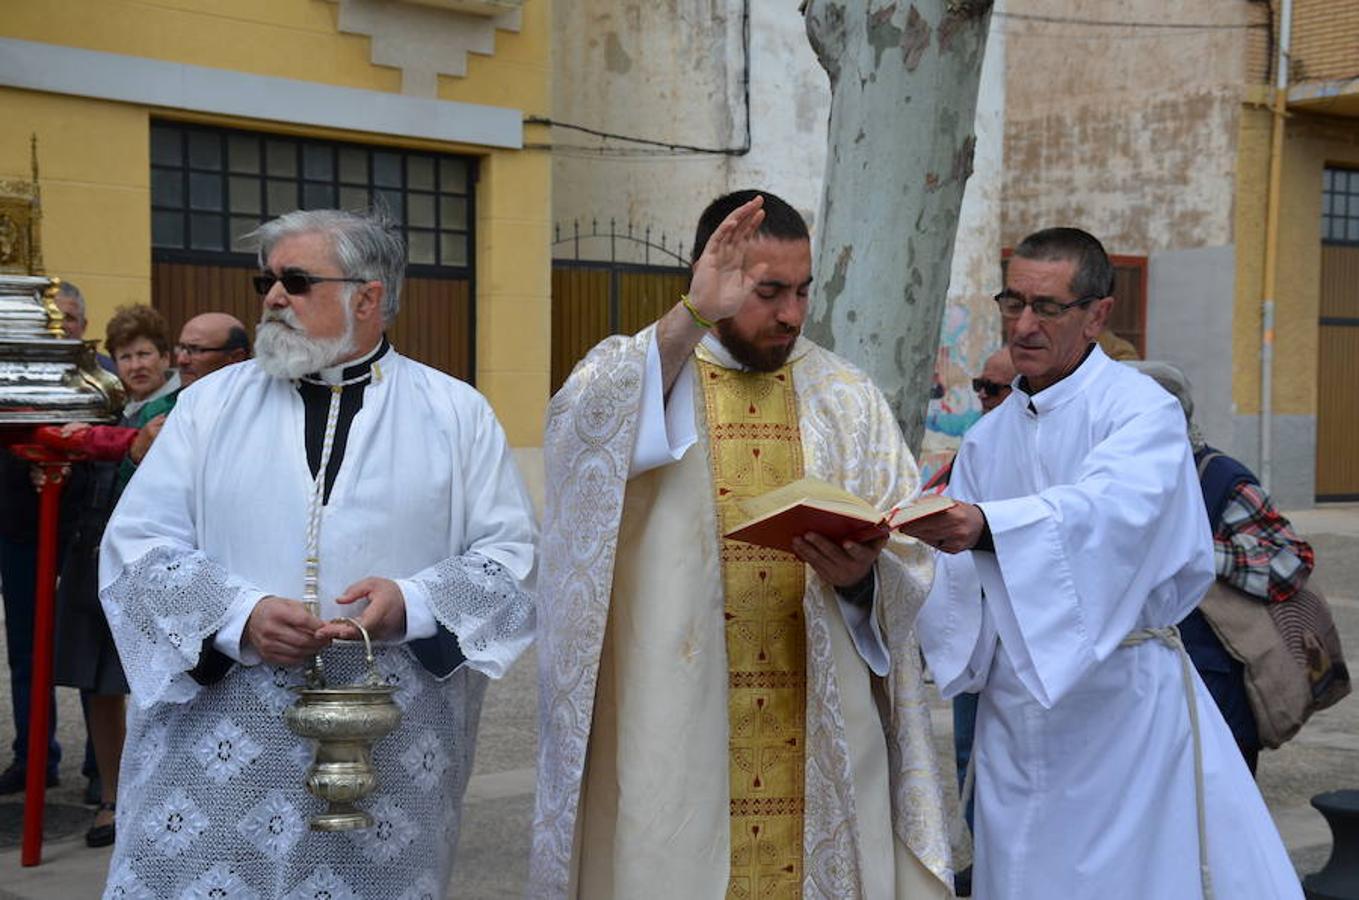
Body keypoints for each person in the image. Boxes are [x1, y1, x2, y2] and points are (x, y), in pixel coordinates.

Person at [97, 209, 535, 898]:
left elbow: (509, 559)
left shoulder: (456, 414)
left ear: (368, 297)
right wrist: (238, 616)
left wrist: (411, 605)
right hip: (222, 741)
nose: (273, 297)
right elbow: (135, 548)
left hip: (387, 747)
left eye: (296, 281)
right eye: (266, 281)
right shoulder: (208, 406)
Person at [532, 191, 952, 898]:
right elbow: (580, 450)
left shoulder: (845, 395)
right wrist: (689, 320)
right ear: (710, 281)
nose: (790, 314)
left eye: (801, 291)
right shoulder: (640, 374)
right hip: (672, 713)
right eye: (767, 292)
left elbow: (905, 557)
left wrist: (859, 581)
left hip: (821, 722)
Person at [903, 227, 1300, 898]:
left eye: (1047, 307)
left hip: (1119, 711)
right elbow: (961, 571)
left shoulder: (1140, 412)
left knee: (1125, 878)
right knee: (1021, 870)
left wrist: (985, 524)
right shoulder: (988, 436)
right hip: (1012, 713)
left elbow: (1112, 516)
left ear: (1097, 314)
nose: (1022, 324)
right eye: (1011, 301)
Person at [1126, 360, 1315, 775]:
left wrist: (1198, 552)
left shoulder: (1219, 477)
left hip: (1210, 691)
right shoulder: (1109, 478)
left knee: (1212, 824)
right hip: (1133, 693)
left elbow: (1289, 561)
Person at [54, 304, 179, 847]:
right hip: (92, 557)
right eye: (125, 355)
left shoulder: (178, 408)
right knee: (100, 689)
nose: (135, 364)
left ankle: (159, 795)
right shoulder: (108, 408)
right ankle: (112, 798)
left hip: (152, 565)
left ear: (165, 356)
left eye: (145, 353)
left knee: (158, 686)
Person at [174, 312, 251, 387]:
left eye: (195, 350)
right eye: (181, 348)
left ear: (236, 358)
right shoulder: (168, 399)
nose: (181, 360)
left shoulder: (256, 398)